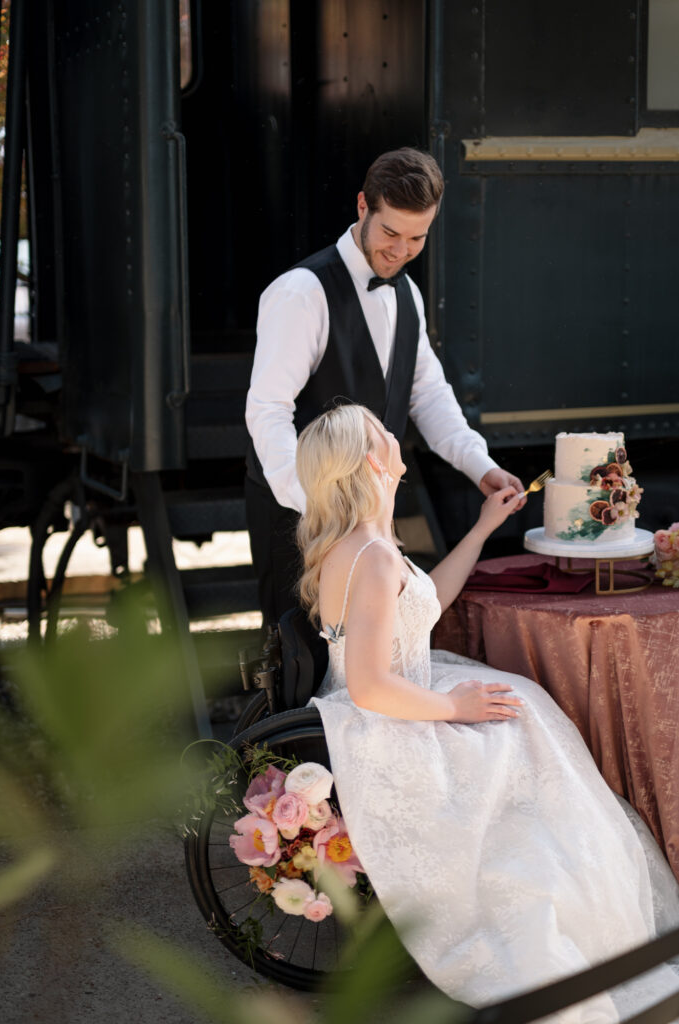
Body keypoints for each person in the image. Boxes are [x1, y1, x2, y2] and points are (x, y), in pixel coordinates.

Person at [295, 403, 679, 1019]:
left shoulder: (371, 546)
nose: (396, 438)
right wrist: (452, 706)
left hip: (408, 695)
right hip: (394, 718)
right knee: (529, 775)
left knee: (525, 725)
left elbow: (424, 605)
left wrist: (479, 529)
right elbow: (368, 687)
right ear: (372, 460)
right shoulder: (368, 557)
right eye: (384, 433)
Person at [245, 146, 525, 626]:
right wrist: (318, 509)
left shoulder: (408, 294)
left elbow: (430, 396)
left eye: (417, 238)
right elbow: (267, 410)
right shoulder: (301, 294)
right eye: (390, 232)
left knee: (367, 657)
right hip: (301, 520)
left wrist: (481, 468)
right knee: (300, 670)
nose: (400, 250)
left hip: (371, 523)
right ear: (362, 207)